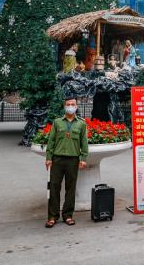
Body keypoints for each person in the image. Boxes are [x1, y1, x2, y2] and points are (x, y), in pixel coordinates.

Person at [45, 96, 88, 228]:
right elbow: (51, 140)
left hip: (72, 160)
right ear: (65, 106)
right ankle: (52, 216)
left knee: (70, 189)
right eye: (68, 104)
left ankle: (68, 215)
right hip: (57, 159)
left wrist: (83, 158)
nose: (70, 106)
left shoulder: (81, 123)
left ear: (76, 106)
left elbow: (84, 142)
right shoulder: (57, 122)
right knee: (54, 187)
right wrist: (48, 157)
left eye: (72, 104)